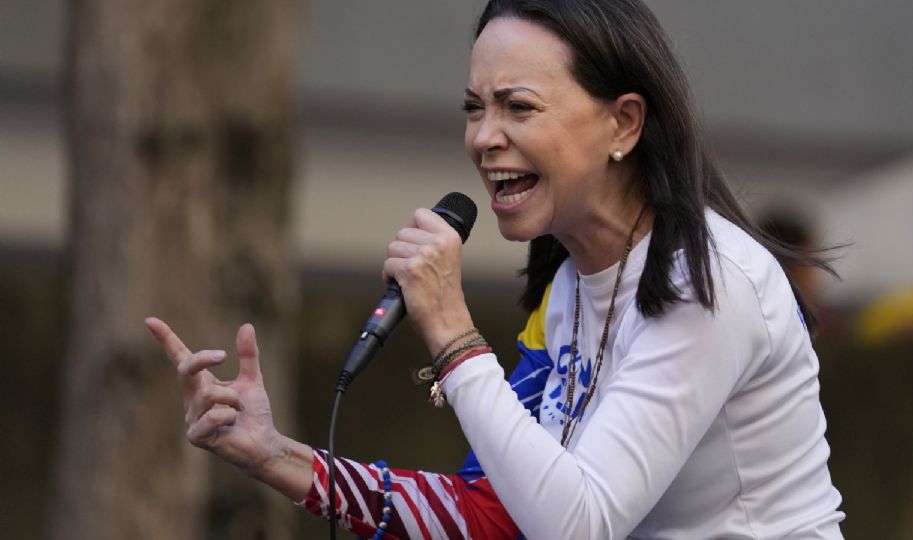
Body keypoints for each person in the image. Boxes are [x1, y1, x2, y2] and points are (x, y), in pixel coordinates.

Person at [146, 1, 845, 538]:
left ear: (624, 124)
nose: (484, 138)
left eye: (519, 107)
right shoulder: (569, 286)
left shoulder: (708, 280)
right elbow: (493, 516)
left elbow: (575, 525)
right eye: (475, 109)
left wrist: (453, 334)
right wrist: (277, 457)